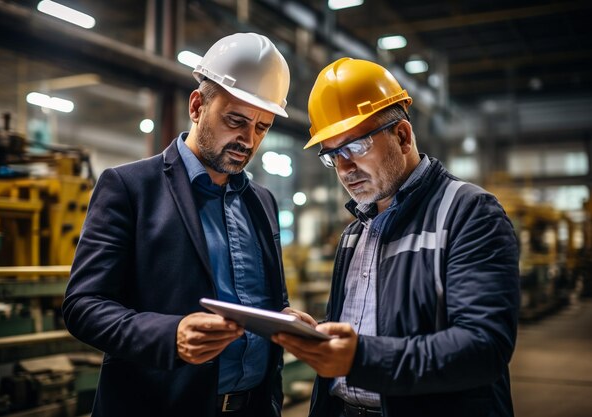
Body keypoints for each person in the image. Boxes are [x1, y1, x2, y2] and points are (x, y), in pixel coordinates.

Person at [62, 32, 315, 417]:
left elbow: (268, 302)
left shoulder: (260, 201)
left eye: (261, 127)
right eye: (236, 120)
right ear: (197, 106)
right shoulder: (130, 187)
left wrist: (284, 320)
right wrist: (170, 335)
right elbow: (83, 306)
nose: (248, 139)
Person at [272, 57, 520, 417]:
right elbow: (372, 327)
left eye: (355, 147)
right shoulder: (355, 234)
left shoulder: (468, 213)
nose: (344, 168)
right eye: (333, 155)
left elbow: (484, 347)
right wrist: (319, 335)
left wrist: (361, 358)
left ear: (402, 135)